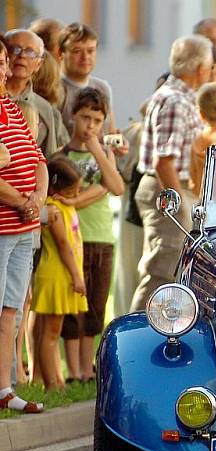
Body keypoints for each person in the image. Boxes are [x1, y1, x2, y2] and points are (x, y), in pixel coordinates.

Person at [130, 35, 212, 312]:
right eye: (209, 65)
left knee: (170, 271)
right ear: (200, 67)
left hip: (171, 188)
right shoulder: (175, 100)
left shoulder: (179, 97)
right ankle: (135, 337)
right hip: (167, 190)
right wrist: (177, 207)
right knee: (161, 270)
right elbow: (164, 161)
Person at [57, 87, 124, 383]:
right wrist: (84, 197)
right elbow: (60, 194)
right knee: (73, 306)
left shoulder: (103, 154)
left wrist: (98, 149)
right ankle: (73, 370)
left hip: (101, 237)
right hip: (72, 238)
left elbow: (117, 186)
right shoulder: (61, 154)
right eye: (85, 118)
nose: (90, 126)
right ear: (73, 115)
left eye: (97, 120)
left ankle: (87, 369)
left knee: (96, 306)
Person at [0, 38, 48, 413]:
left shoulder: (11, 109)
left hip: (21, 228)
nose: (4, 69)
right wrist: (22, 201)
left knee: (10, 310)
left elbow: (38, 160)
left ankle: (4, 390)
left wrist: (37, 200)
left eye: (3, 62)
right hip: (4, 225)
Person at [31, 156, 88, 390]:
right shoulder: (53, 210)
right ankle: (50, 383)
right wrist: (77, 276)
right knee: (51, 332)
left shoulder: (66, 206)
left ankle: (57, 379)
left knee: (54, 331)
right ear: (54, 188)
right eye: (72, 191)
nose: (76, 195)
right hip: (57, 273)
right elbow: (63, 245)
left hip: (64, 273)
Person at [5, 28, 69, 157]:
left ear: (38, 64)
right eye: (15, 49)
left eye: (30, 52)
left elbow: (52, 158)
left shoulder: (45, 110)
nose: (22, 56)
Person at [56, 23, 117, 135]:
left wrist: (119, 144)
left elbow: (110, 132)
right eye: (77, 51)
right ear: (61, 53)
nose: (85, 57)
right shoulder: (54, 89)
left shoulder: (102, 88)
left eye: (90, 51)